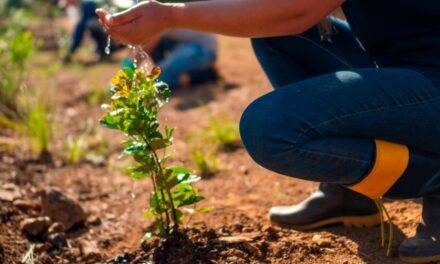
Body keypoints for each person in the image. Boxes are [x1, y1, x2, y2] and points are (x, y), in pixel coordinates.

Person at [96, 1, 440, 263]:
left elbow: (294, 13)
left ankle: (436, 180)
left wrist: (172, 16)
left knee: (271, 129)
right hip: (406, 68)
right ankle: (351, 193)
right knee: (274, 36)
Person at [143, 29, 218, 89]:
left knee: (160, 80)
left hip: (203, 50)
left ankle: (204, 75)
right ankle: (170, 72)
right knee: (162, 42)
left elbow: (148, 47)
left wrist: (132, 65)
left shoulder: (161, 16)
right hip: (188, 45)